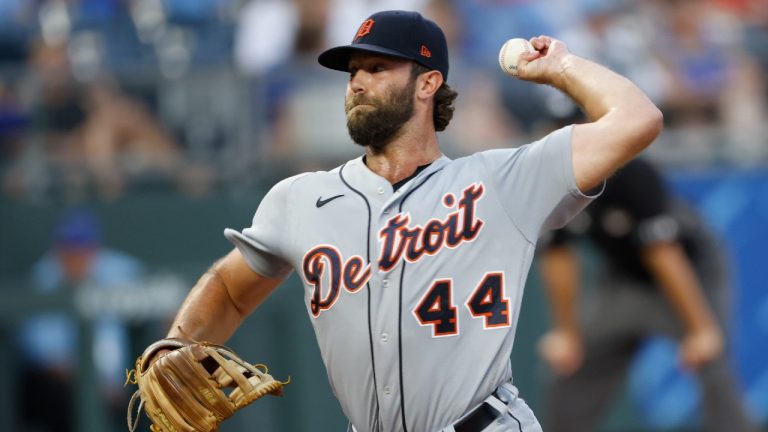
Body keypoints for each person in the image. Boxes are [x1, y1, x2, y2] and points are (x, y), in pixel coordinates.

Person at [155, 9, 662, 431]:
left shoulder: (502, 180)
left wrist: (562, 67)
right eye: (353, 71)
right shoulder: (300, 198)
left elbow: (637, 120)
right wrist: (178, 342)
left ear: (429, 83)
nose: (357, 83)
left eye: (377, 68)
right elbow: (229, 286)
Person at [537, 157, 758, 431]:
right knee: (574, 363)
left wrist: (699, 329)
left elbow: (663, 253)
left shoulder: (631, 171)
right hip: (624, 281)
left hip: (692, 275)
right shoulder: (556, 176)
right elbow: (557, 253)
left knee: (712, 359)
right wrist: (567, 333)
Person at [16, 208, 145, 432]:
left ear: (94, 249)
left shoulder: (115, 268)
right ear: (58, 250)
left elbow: (162, 292)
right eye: (68, 248)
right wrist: (96, 387)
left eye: (82, 248)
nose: (75, 257)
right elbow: (48, 359)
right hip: (65, 392)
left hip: (118, 386)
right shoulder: (43, 280)